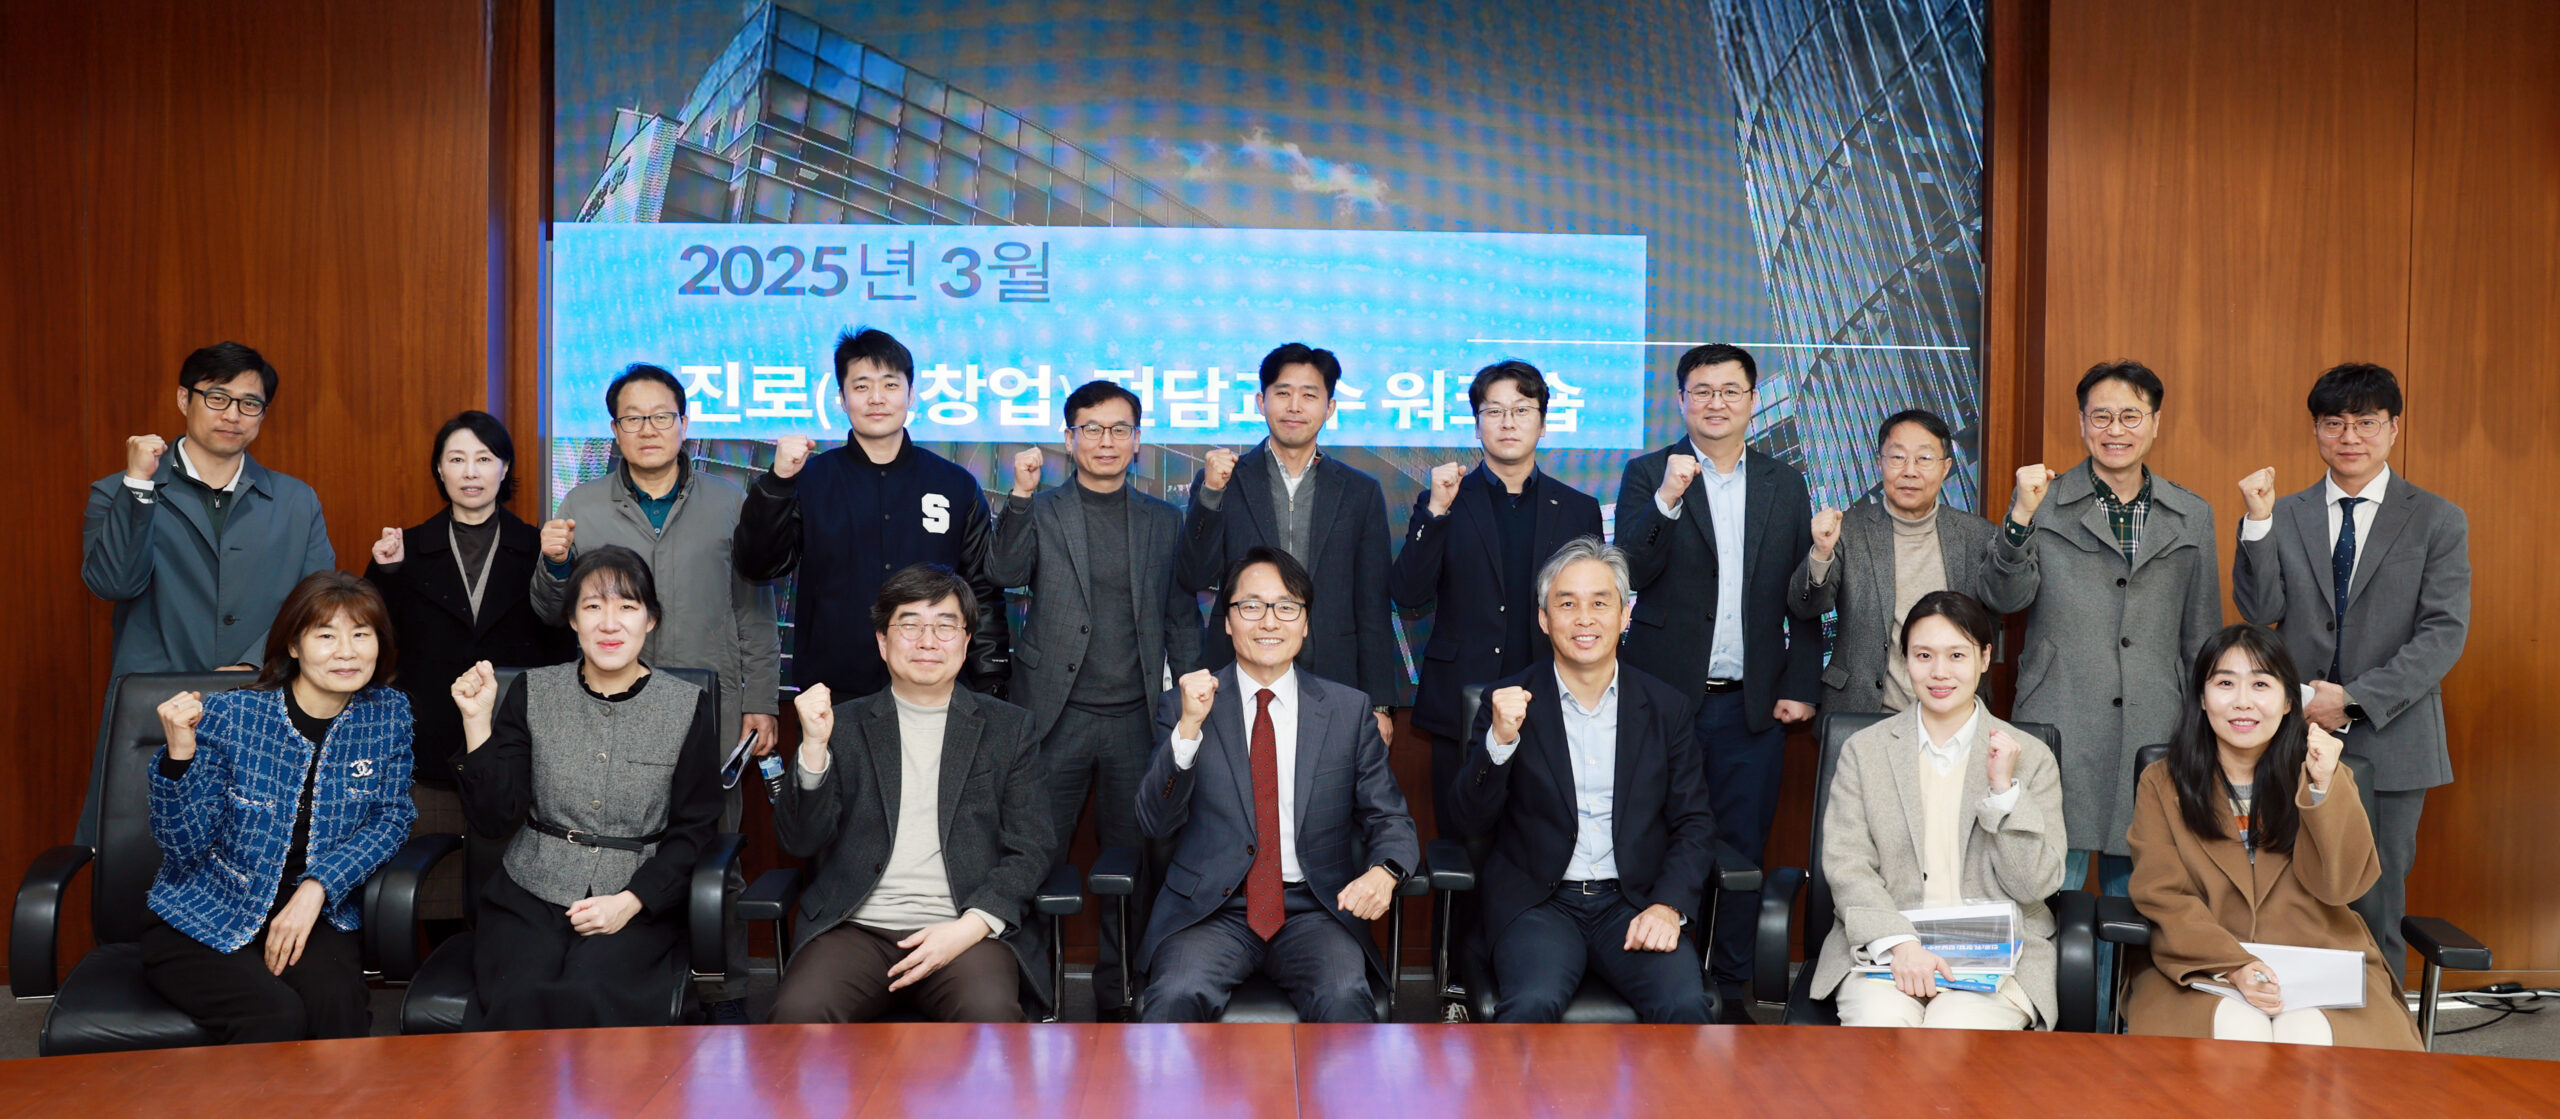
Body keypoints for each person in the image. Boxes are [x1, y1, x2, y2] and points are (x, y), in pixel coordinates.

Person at [532, 363, 775, 1016]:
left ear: (684, 424)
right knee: (622, 851)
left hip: (712, 710)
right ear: (614, 429)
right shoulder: (581, 505)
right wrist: (554, 564)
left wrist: (760, 700)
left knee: (717, 854)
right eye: (633, 418)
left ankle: (725, 991)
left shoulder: (731, 502)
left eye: (662, 415)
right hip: (610, 711)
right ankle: (636, 984)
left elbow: (754, 610)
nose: (648, 429)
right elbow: (551, 611)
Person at [2233, 363, 2469, 974]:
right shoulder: (2284, 513)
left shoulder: (2437, 518)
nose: (2350, 437)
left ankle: (2381, 1028)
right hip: (2294, 735)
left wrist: (2352, 699)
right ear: (2316, 430)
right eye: (2334, 423)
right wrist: (2257, 521)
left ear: (2393, 428)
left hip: (2393, 738)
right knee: (2286, 890)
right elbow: (2260, 612)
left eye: (2366, 422)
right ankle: (2294, 1019)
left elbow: (2443, 634)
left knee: (2376, 900)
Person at [1613, 342, 1820, 1019]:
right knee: (1658, 841)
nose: (1716, 403)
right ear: (1680, 400)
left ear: (1752, 401)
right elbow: (1629, 571)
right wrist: (1668, 500)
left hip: (1751, 706)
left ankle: (1729, 989)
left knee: (1741, 850)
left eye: (1731, 390)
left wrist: (1801, 681)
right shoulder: (1649, 473)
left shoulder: (1784, 483)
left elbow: (1802, 593)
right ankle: (1665, 979)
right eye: (1701, 390)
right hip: (1661, 704)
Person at [984, 379, 1199, 1018]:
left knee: (1131, 870)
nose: (1106, 441)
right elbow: (1002, 573)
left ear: (1137, 440)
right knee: (1030, 860)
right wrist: (1020, 496)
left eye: (1119, 429)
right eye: (1092, 429)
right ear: (1069, 437)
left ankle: (1121, 995)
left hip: (1135, 719)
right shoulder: (1044, 509)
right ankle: (1032, 996)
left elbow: (1180, 614)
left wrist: (1193, 697)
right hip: (1054, 717)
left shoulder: (1163, 520)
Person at [1134, 547, 1419, 1022]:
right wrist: (1188, 729)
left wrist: (1385, 872)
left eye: (1286, 607)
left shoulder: (1347, 712)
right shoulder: (1184, 706)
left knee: (1344, 998)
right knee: (1174, 996)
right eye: (1251, 606)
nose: (1269, 621)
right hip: (1211, 913)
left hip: (1314, 909)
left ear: (1305, 623)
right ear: (1228, 621)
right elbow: (1154, 822)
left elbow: (1389, 817)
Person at [1442, 538, 1716, 1023]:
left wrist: (1668, 906)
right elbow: (1467, 819)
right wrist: (1500, 741)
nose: (1584, 619)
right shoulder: (1507, 702)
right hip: (1539, 904)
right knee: (1531, 1004)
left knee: (1685, 1007)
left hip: (1634, 902)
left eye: (1600, 603)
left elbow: (1694, 823)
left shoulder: (1666, 708)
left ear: (1625, 615)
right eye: (1567, 604)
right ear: (1544, 619)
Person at [452, 546, 723, 1030]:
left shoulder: (687, 707)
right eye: (593, 606)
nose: (609, 624)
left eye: (627, 607)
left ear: (651, 620)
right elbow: (493, 819)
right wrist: (477, 724)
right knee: (521, 995)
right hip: (530, 893)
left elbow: (695, 830)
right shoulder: (533, 692)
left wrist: (632, 901)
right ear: (573, 620)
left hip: (637, 899)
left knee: (591, 993)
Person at [140, 571, 416, 1044]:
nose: (346, 652)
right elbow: (184, 846)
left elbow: (390, 818)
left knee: (338, 1007)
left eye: (361, 634)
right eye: (326, 635)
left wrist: (318, 886)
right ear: (293, 645)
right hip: (204, 911)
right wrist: (180, 757)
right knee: (274, 1015)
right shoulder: (233, 716)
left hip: (314, 911)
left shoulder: (388, 713)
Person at [768, 566, 1053, 1023]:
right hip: (856, 926)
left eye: (945, 626)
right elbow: (800, 841)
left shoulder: (1009, 729)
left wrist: (970, 927)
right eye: (910, 625)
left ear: (966, 641)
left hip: (964, 928)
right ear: (883, 642)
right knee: (799, 1015)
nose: (927, 641)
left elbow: (1031, 848)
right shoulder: (841, 725)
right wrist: (814, 749)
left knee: (990, 1018)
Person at [1981, 360, 2221, 903]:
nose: (2116, 430)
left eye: (2131, 416)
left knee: (2139, 896)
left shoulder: (2192, 514)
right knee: (2044, 886)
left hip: (2155, 720)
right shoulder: (2041, 502)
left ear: (2155, 423)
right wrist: (2018, 518)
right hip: (2059, 713)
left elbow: (2202, 635)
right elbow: (2002, 598)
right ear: (2082, 423)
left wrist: (2204, 727)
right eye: (2102, 416)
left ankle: (2117, 969)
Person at [2123, 624, 2422, 1049]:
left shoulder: (2324, 772)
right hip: (2203, 967)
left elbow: (2342, 887)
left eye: (2261, 684)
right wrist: (2234, 966)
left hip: (2320, 965)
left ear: (2288, 702)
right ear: (2202, 699)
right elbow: (2163, 895)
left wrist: (2322, 787)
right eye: (2225, 683)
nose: (2243, 701)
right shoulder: (2162, 782)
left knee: (2309, 1040)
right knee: (2236, 1037)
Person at [1809, 591, 2067, 1030]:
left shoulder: (2029, 756)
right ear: (1905, 660)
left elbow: (2034, 885)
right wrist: (1901, 944)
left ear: (1985, 658)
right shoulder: (1864, 751)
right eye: (1924, 655)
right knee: (1881, 1030)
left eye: (1957, 655)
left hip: (1999, 959)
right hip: (1888, 949)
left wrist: (2004, 792)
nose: (1940, 672)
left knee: (1953, 1037)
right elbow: (1848, 866)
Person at [365, 410, 574, 928]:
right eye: (457, 459)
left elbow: (564, 643)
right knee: (437, 895)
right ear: (439, 470)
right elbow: (374, 637)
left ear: (506, 468)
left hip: (518, 739)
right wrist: (384, 572)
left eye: (484, 458)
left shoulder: (541, 548)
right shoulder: (407, 547)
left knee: (516, 895)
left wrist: (559, 567)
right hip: (432, 740)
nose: (471, 472)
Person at [732, 327, 1010, 700]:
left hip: (935, 687)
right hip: (834, 692)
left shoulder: (955, 484)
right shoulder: (810, 480)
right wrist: (778, 483)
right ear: (842, 399)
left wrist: (990, 679)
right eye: (861, 386)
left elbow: (982, 590)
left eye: (890, 385)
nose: (877, 398)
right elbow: (757, 565)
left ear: (911, 394)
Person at [1389, 359, 1605, 833]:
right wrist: (1436, 512)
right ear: (1477, 424)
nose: (1508, 422)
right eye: (1494, 411)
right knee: (1461, 842)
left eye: (1522, 410)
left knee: (1544, 839)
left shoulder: (1577, 509)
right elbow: (1408, 594)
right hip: (1460, 702)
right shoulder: (1444, 500)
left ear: (1543, 424)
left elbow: (1593, 608)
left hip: (1552, 704)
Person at [1177, 343, 1398, 744]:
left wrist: (1380, 704)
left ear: (1329, 408)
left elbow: (1372, 604)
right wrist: (1210, 494)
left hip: (1334, 674)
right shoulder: (1225, 480)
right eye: (1282, 393)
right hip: (1237, 673)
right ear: (1261, 402)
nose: (1294, 406)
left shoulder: (1359, 491)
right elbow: (1194, 574)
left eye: (1309, 395)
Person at [84, 342, 333, 676]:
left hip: (261, 691)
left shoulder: (297, 500)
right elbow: (112, 585)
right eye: (217, 397)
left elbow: (317, 602)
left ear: (263, 413)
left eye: (249, 403)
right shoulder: (118, 491)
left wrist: (255, 663)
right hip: (155, 695)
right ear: (183, 399)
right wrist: (139, 485)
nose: (232, 415)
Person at [1791, 409, 2003, 715]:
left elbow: (2008, 600)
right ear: (1880, 463)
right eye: (1898, 458)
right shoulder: (1848, 529)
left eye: (1924, 458)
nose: (1909, 471)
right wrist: (1822, 553)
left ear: (1946, 467)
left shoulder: (1978, 536)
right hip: (1862, 714)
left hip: (1952, 715)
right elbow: (1806, 606)